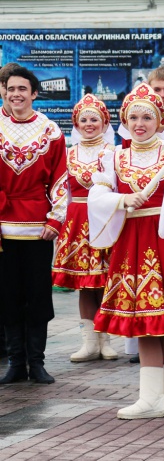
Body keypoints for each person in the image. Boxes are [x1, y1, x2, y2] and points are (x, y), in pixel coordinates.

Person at [88, 83, 164, 419]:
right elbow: (96, 196)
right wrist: (122, 199)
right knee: (144, 317)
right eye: (134, 118)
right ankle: (149, 397)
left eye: (147, 117)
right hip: (133, 242)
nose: (140, 123)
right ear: (124, 121)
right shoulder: (114, 156)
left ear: (160, 120)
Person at [0, 66, 69, 385]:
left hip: (38, 227)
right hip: (3, 226)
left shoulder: (50, 131)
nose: (16, 94)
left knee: (38, 295)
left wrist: (56, 219)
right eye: (11, 88)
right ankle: (15, 363)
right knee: (8, 295)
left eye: (22, 89)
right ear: (4, 91)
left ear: (34, 94)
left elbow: (60, 179)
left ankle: (37, 363)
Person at [53, 94, 118, 363]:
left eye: (94, 119)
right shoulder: (68, 153)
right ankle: (89, 343)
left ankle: (106, 340)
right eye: (84, 120)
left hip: (104, 220)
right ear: (76, 124)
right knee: (85, 284)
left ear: (105, 123)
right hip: (78, 220)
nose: (89, 124)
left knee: (105, 281)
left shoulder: (113, 152)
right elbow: (60, 191)